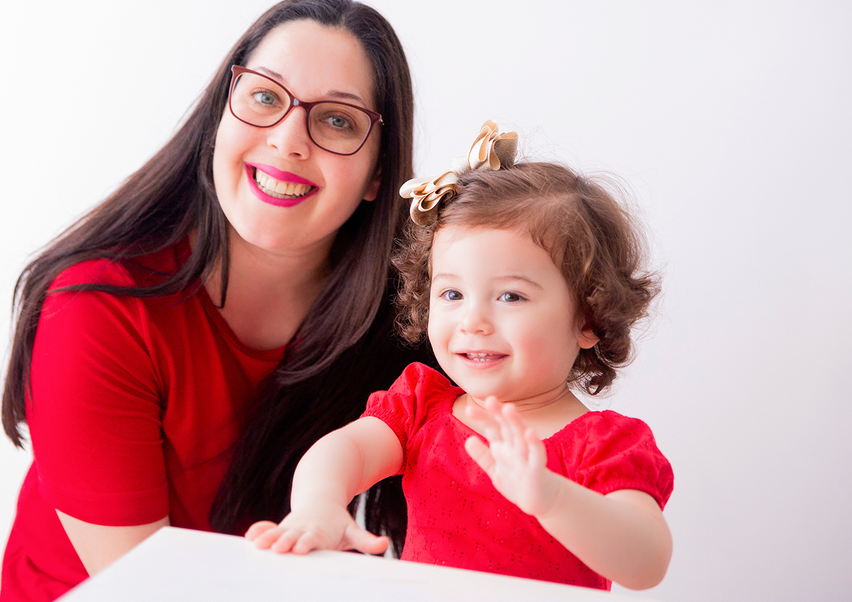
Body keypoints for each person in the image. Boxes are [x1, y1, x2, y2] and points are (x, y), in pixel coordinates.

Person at [0, 0, 431, 601]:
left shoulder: (408, 318)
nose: (288, 140)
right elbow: (146, 591)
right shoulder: (99, 309)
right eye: (264, 96)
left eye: (338, 119)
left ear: (379, 177)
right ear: (219, 118)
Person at [246, 122, 674, 591]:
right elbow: (344, 450)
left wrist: (552, 498)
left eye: (510, 297)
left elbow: (647, 562)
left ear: (588, 318)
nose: (473, 320)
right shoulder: (421, 408)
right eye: (451, 293)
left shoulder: (603, 444)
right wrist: (319, 504)